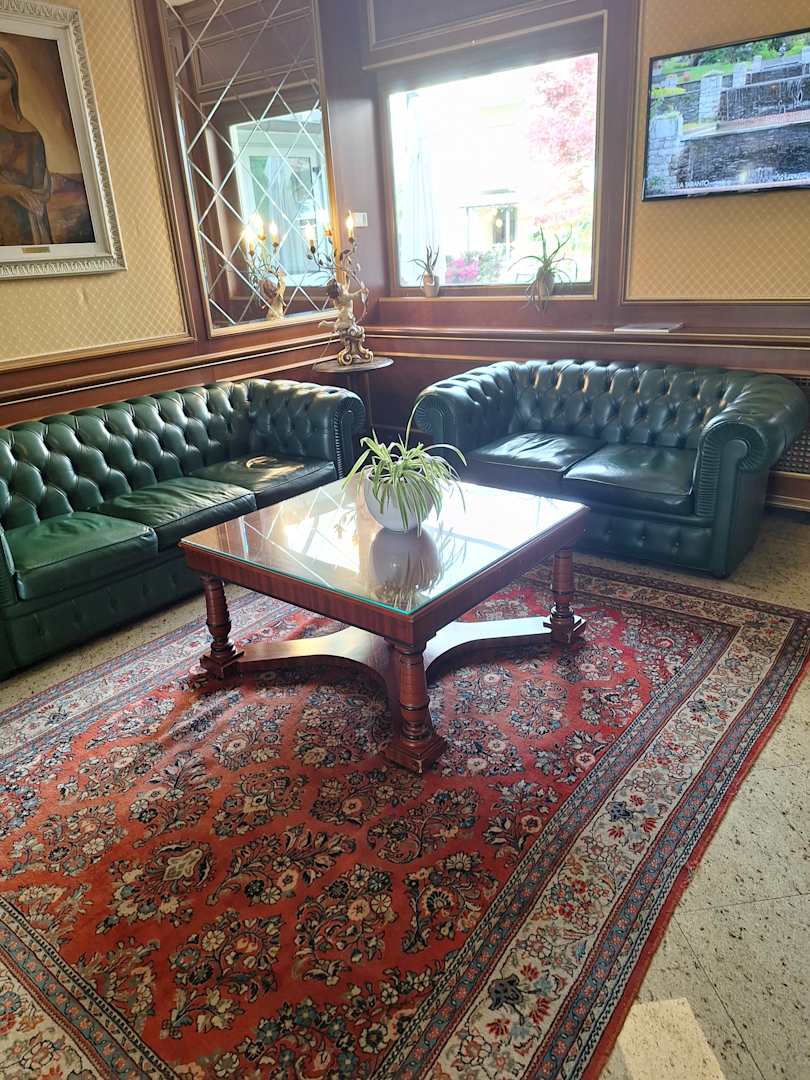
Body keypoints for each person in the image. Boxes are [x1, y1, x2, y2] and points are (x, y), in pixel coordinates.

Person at [0, 45, 52, 245]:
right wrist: (12, 190)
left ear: (13, 80)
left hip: (28, 225)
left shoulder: (32, 133)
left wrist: (35, 193)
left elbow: (41, 190)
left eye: (1, 77)